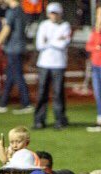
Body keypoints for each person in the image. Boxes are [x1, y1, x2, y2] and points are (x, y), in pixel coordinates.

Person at [0, 0, 32, 114]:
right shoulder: (21, 10)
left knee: (17, 75)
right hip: (18, 46)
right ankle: (3, 102)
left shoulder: (12, 11)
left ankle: (26, 103)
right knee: (11, 75)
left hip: (14, 47)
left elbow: (6, 30)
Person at [33, 3, 71, 131]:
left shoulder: (65, 26)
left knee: (58, 93)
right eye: (51, 13)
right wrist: (56, 40)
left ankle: (60, 119)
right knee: (42, 92)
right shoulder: (44, 25)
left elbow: (63, 44)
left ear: (60, 13)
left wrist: (48, 41)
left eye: (55, 13)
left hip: (59, 64)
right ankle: (39, 120)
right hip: (44, 63)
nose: (53, 16)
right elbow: (39, 45)